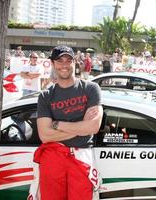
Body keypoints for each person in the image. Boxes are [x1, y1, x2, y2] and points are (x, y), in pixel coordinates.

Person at [33, 46, 103, 200]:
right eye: (59, 61)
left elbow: (94, 127)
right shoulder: (45, 96)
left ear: (74, 63)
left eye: (68, 60)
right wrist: (82, 127)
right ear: (52, 63)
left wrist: (57, 124)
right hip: (53, 156)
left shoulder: (91, 89)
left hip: (82, 156)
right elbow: (45, 135)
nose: (64, 64)